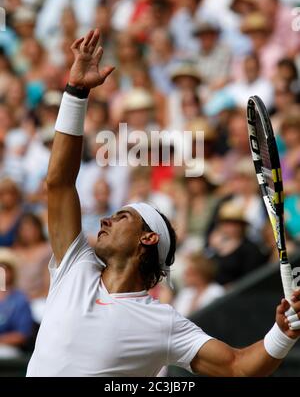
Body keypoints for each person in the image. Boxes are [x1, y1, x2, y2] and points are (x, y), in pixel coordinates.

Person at [27, 30, 300, 377]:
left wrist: (284, 333)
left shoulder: (163, 323)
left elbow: (237, 367)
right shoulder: (74, 266)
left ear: (148, 238)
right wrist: (76, 92)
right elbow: (59, 183)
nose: (104, 222)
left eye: (121, 216)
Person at [0, 248, 33, 358]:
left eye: (5, 268)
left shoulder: (20, 299)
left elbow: (22, 335)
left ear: (12, 272)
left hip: (9, 351)